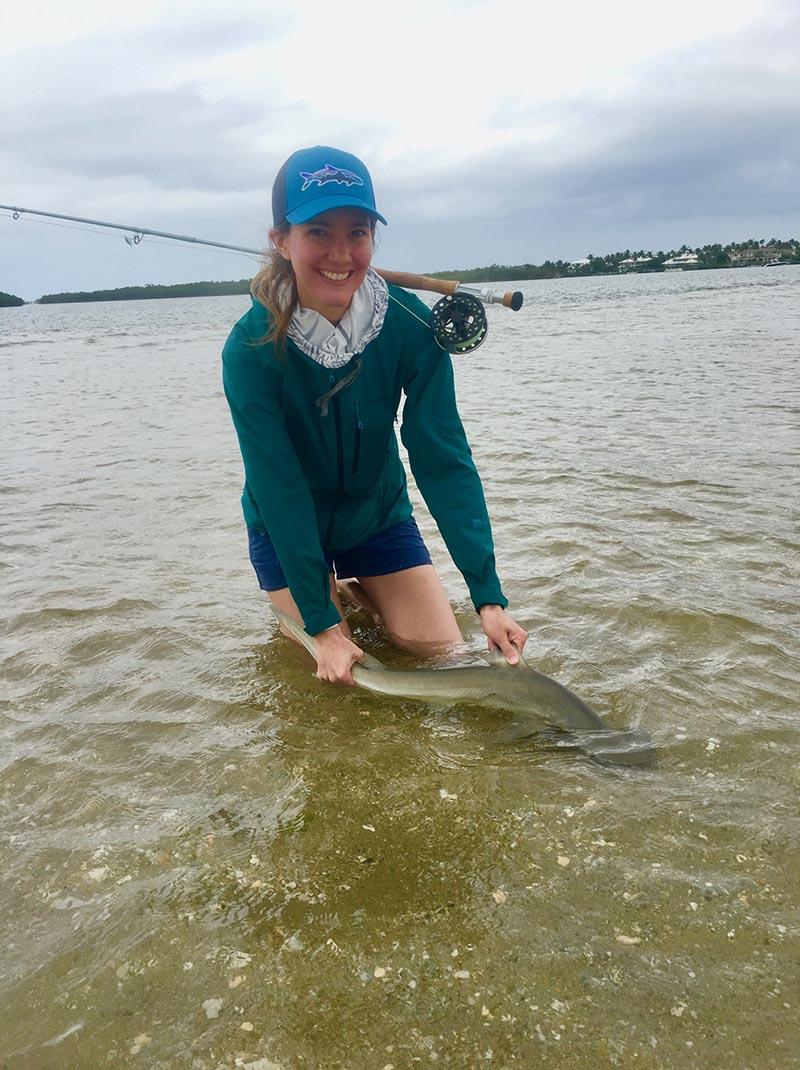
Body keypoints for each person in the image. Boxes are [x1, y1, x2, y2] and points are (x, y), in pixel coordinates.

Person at [222, 145, 527, 685]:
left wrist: (489, 596)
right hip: (287, 522)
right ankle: (329, 595)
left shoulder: (412, 326)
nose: (341, 253)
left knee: (443, 657)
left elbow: (443, 458)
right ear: (281, 241)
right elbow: (277, 482)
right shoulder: (248, 349)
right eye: (318, 232)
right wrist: (322, 626)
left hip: (378, 516)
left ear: (373, 238)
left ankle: (356, 589)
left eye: (357, 233)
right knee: (343, 682)